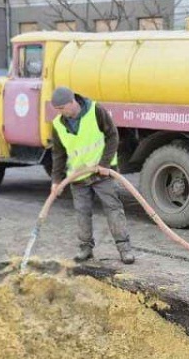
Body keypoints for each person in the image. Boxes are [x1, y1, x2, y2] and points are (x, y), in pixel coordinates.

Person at [49, 86, 135, 264]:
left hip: (101, 174)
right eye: (57, 110)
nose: (61, 113)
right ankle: (85, 249)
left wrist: (104, 164)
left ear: (72, 102)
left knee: (113, 209)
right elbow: (58, 154)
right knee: (82, 213)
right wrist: (56, 181)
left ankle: (124, 248)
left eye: (62, 108)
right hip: (77, 177)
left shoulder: (95, 111)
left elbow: (112, 136)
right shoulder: (58, 124)